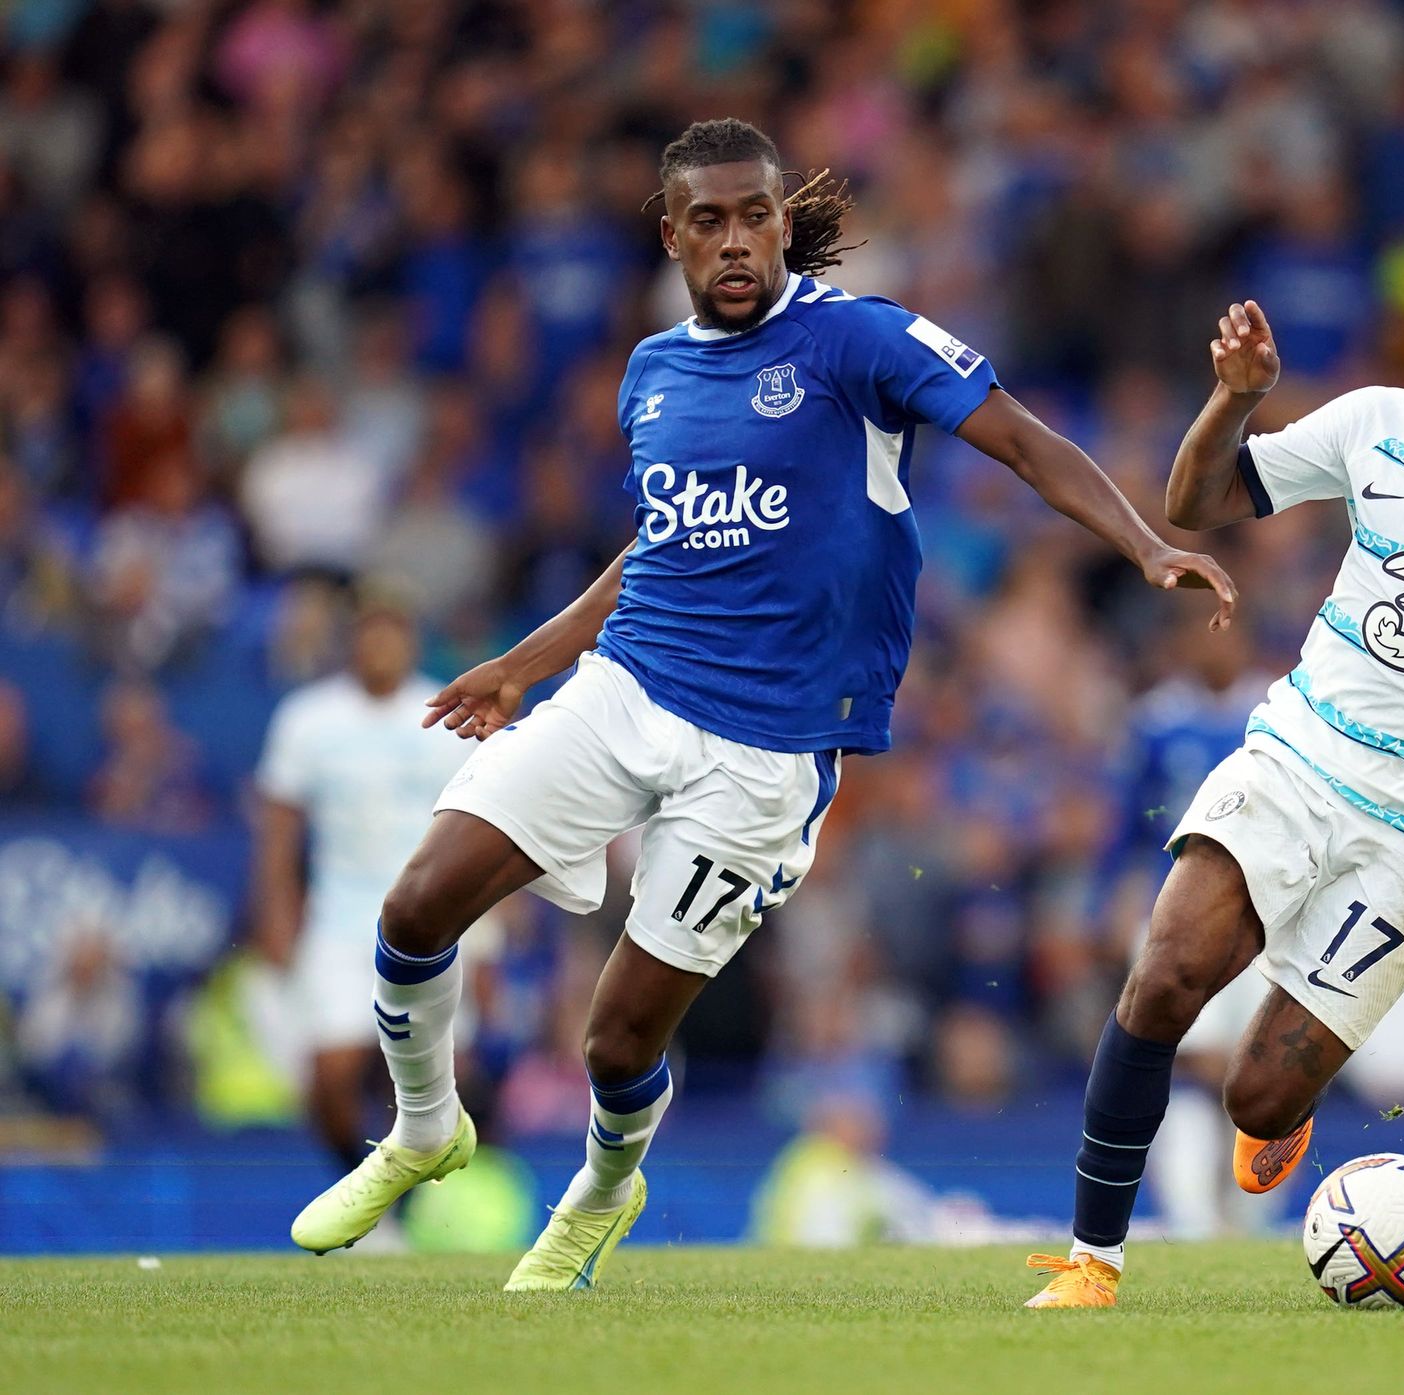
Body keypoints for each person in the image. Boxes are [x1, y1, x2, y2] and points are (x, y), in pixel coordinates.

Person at [289, 117, 1235, 1290]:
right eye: (709, 221)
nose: (735, 240)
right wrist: (526, 661)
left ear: (784, 223)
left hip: (765, 750)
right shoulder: (652, 372)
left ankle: (602, 1186)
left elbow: (1026, 443)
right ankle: (424, 1127)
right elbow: (658, 546)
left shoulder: (858, 341)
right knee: (419, 905)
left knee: (616, 1038)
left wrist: (1145, 546)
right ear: (673, 234)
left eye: (755, 216)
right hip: (627, 688)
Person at [1027, 215, 1404, 1308]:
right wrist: (1234, 401)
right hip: (1301, 757)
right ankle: (1092, 1261)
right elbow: (1192, 505)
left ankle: (1283, 1104)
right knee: (1163, 977)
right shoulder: (1373, 425)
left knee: (1254, 1100)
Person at [254, 591, 481, 1183]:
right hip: (339, 922)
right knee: (331, 1074)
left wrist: (490, 928)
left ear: (411, 638)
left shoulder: (447, 712)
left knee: (448, 1077)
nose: (381, 646)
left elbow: (480, 829)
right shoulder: (307, 718)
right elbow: (278, 835)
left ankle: (413, 1209)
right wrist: (277, 920)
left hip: (433, 924)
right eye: (369, 632)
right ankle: (363, 1192)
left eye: (394, 631)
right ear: (352, 640)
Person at [1094, 606, 1276, 1239]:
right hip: (1169, 909)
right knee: (1187, 1061)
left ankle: (1253, 1218)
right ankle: (1195, 1221)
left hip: (1264, 915)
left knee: (1260, 1069)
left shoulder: (1278, 712)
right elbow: (1123, 825)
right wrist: (1109, 901)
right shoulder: (1155, 723)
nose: (1213, 646)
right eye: (1198, 630)